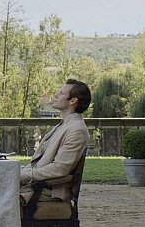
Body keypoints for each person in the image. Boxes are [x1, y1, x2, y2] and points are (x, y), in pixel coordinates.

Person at [20, 78, 92, 206]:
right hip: (35, 185)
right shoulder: (65, 125)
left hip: (47, 191)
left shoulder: (76, 130)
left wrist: (24, 175)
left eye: (61, 93)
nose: (56, 95)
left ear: (73, 100)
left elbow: (60, 169)